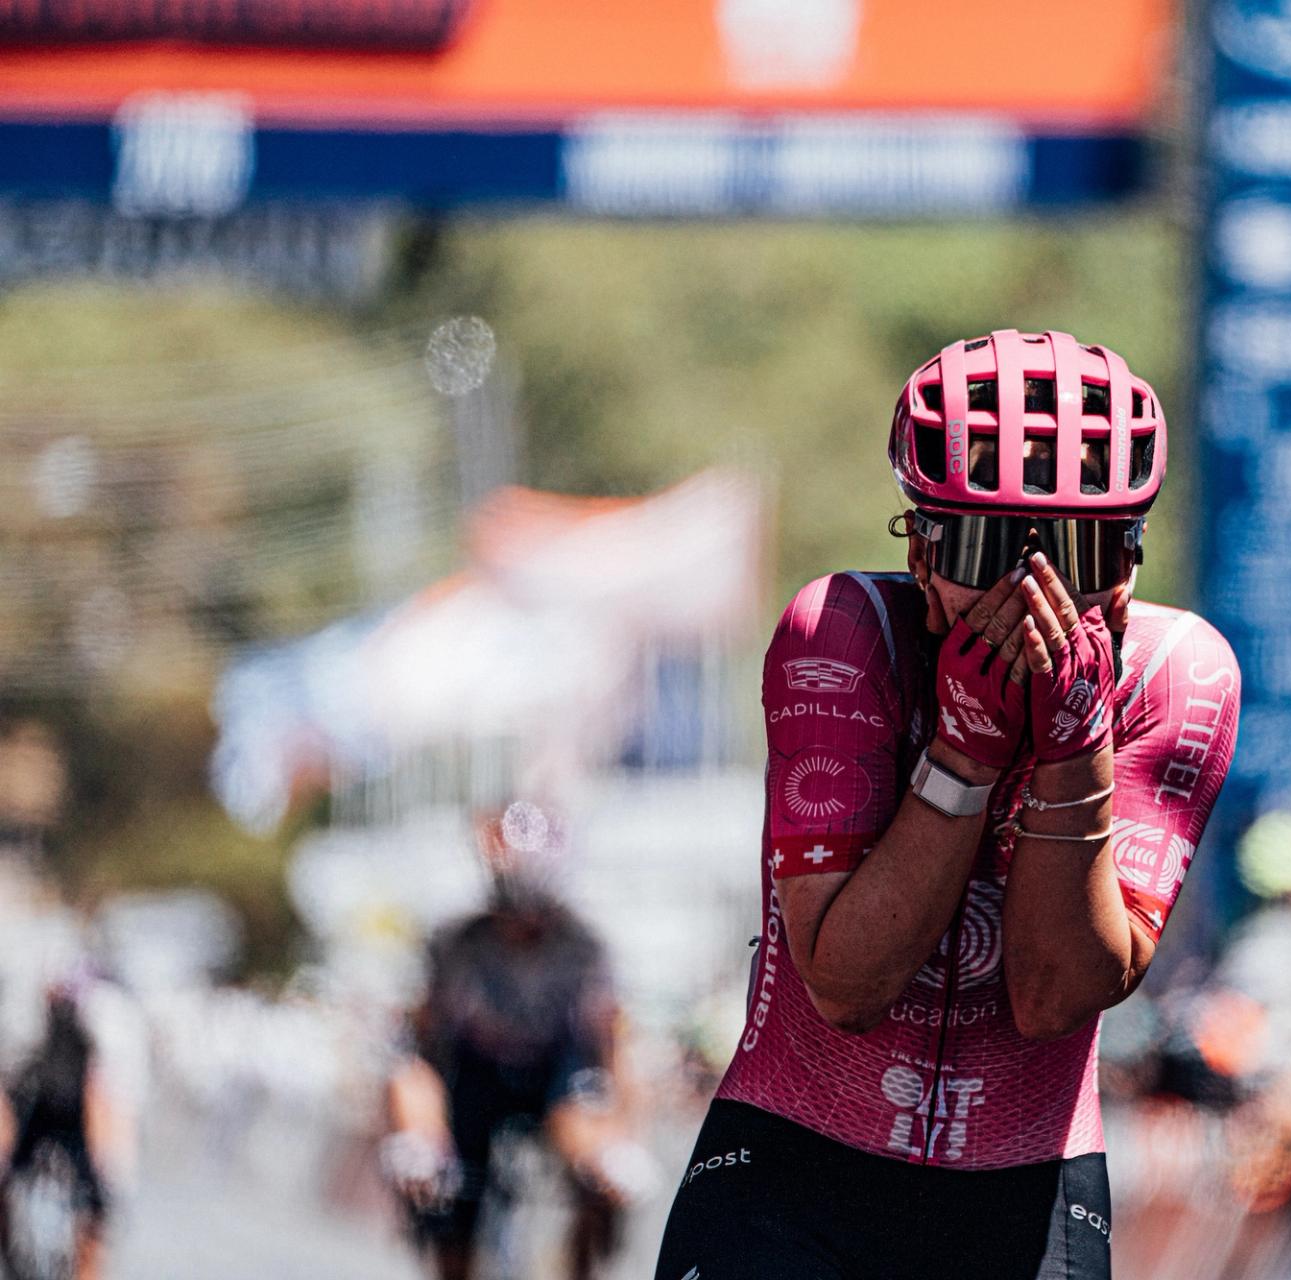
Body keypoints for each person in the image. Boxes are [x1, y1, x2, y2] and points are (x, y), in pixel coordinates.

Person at [653, 330, 1240, 1280]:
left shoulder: (1178, 676)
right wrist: (962, 754)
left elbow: (1053, 995)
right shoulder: (843, 635)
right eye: (987, 545)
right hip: (793, 1175)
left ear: (1126, 574)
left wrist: (1076, 753)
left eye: (1079, 551)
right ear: (922, 557)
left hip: (1024, 1194)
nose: (1032, 586)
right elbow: (845, 984)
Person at [383, 801, 635, 1280]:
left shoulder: (584, 943)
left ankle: (582, 1261)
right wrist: (422, 1132)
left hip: (554, 1074)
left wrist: (618, 1138)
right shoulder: (454, 939)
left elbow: (615, 1041)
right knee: (444, 1196)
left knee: (600, 1179)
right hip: (474, 1072)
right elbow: (422, 1042)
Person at [0, 983, 122, 1280]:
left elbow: (12, 1102)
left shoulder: (37, 1049)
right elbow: (97, 1103)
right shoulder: (85, 1045)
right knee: (98, 1210)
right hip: (71, 1137)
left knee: (6, 1189)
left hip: (36, 1133)